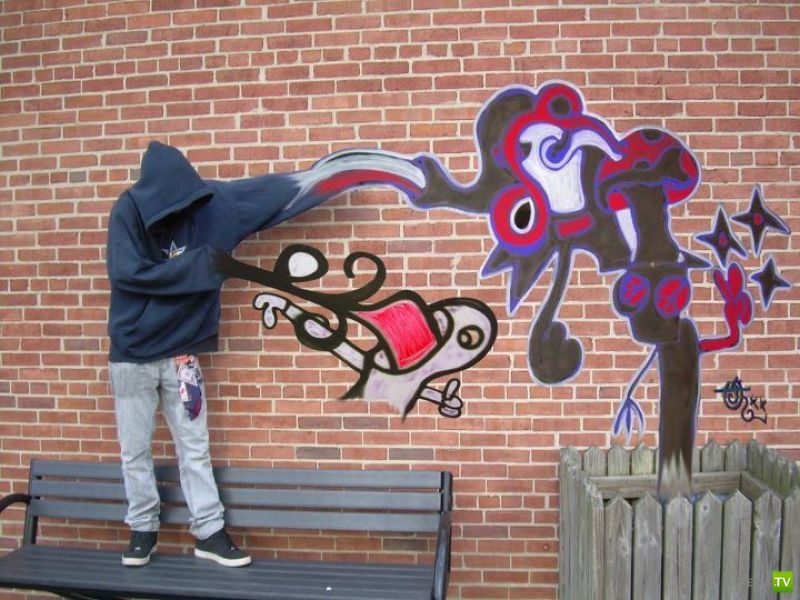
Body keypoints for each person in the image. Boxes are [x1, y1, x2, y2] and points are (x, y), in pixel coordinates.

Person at [105, 141, 360, 567]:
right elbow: (126, 273)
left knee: (195, 448)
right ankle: (142, 530)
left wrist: (332, 177)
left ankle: (209, 532)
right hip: (132, 356)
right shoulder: (127, 211)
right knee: (134, 451)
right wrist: (201, 266)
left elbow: (270, 194)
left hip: (182, 356)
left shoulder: (213, 205)